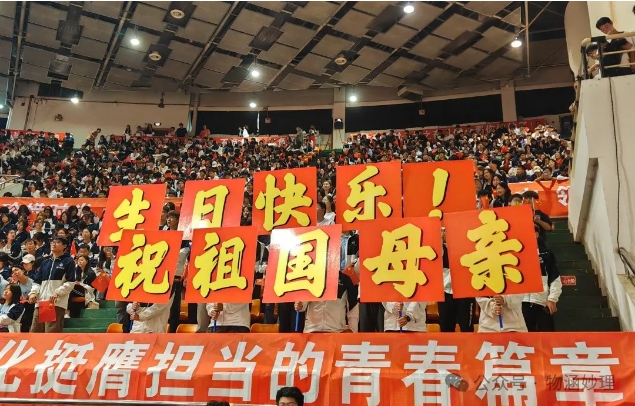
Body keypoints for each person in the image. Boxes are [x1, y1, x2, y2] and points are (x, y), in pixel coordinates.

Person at [28, 236, 76, 333]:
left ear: (64, 246)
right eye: (52, 242)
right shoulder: (45, 262)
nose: (53, 244)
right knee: (35, 333)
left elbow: (70, 282)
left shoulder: (68, 261)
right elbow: (37, 281)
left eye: (57, 242)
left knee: (51, 334)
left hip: (55, 303)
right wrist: (33, 293)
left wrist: (57, 293)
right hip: (41, 302)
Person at [523, 224, 562, 332]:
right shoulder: (517, 255)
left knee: (548, 337)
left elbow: (555, 278)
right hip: (521, 303)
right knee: (525, 338)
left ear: (536, 234)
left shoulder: (547, 254)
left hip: (542, 302)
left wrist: (552, 299)